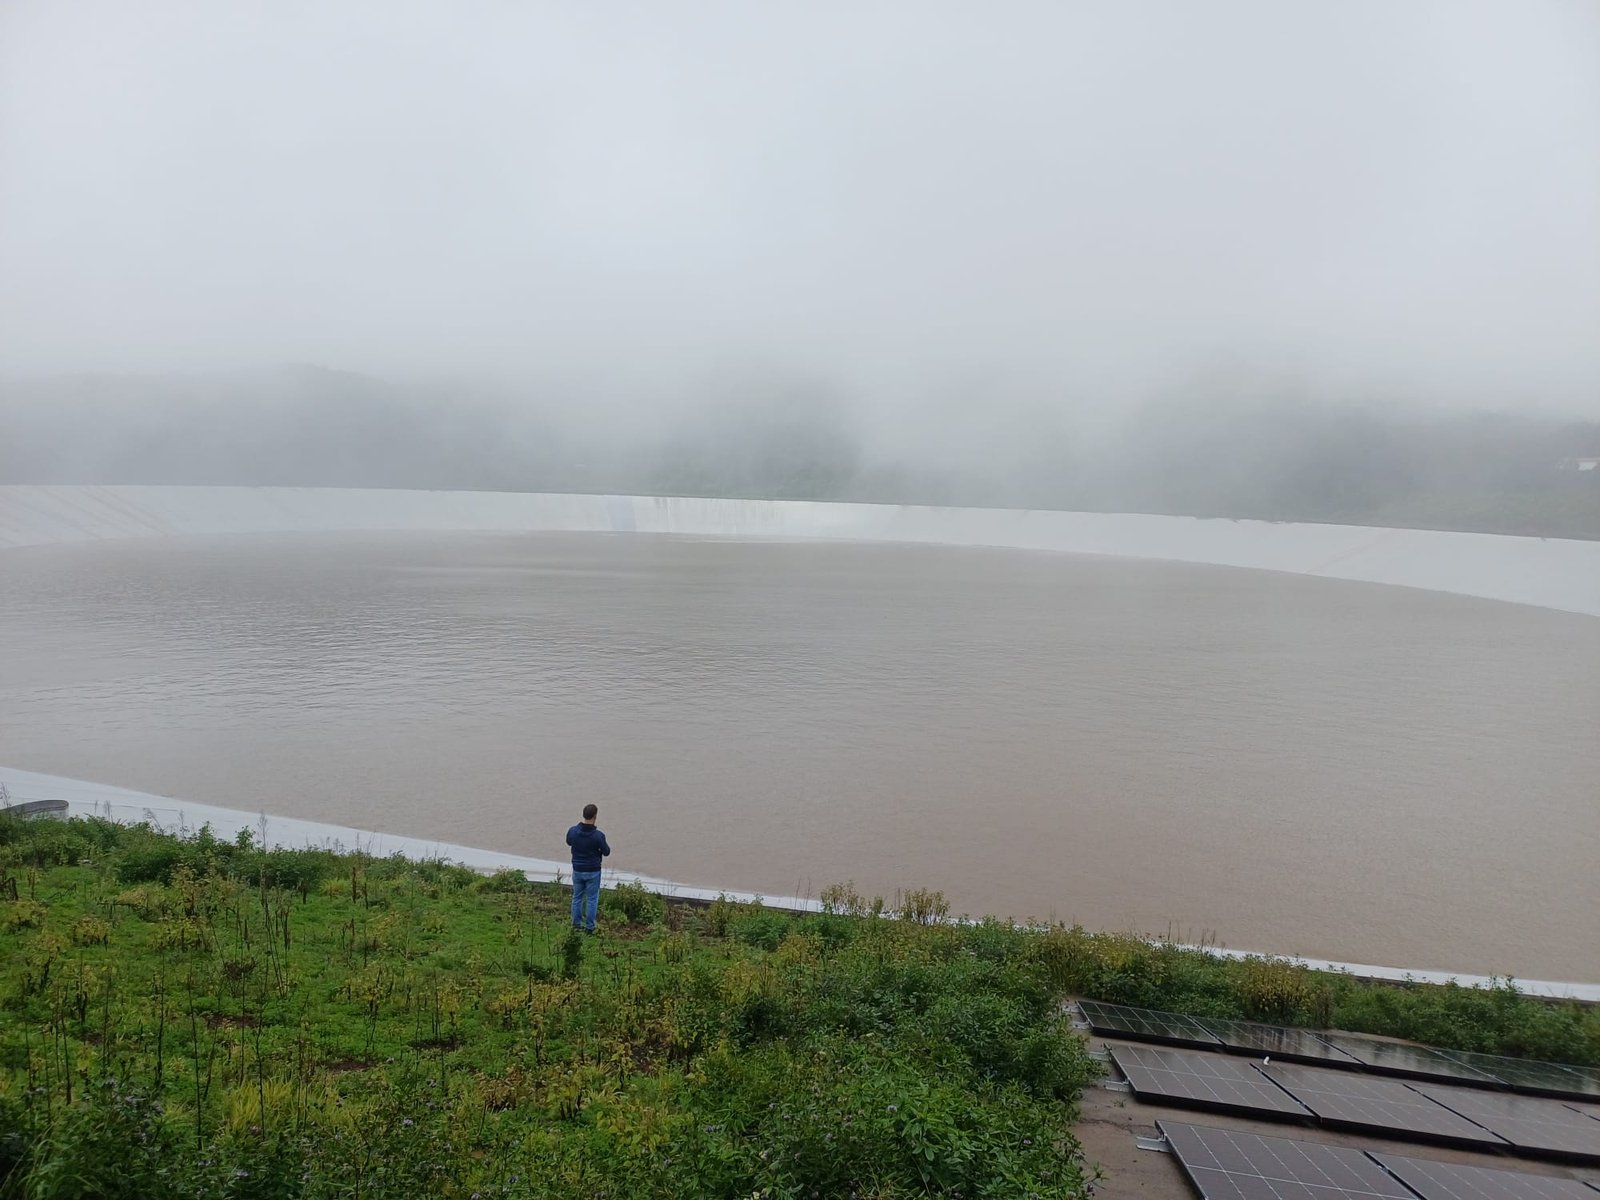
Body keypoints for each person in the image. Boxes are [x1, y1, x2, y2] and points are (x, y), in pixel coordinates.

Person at [565, 803, 610, 933]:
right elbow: (606, 852)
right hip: (593, 871)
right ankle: (590, 927)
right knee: (591, 899)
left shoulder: (573, 831)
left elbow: (568, 842)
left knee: (577, 897)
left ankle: (576, 924)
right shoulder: (598, 836)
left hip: (577, 869)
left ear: (583, 815)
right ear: (595, 816)